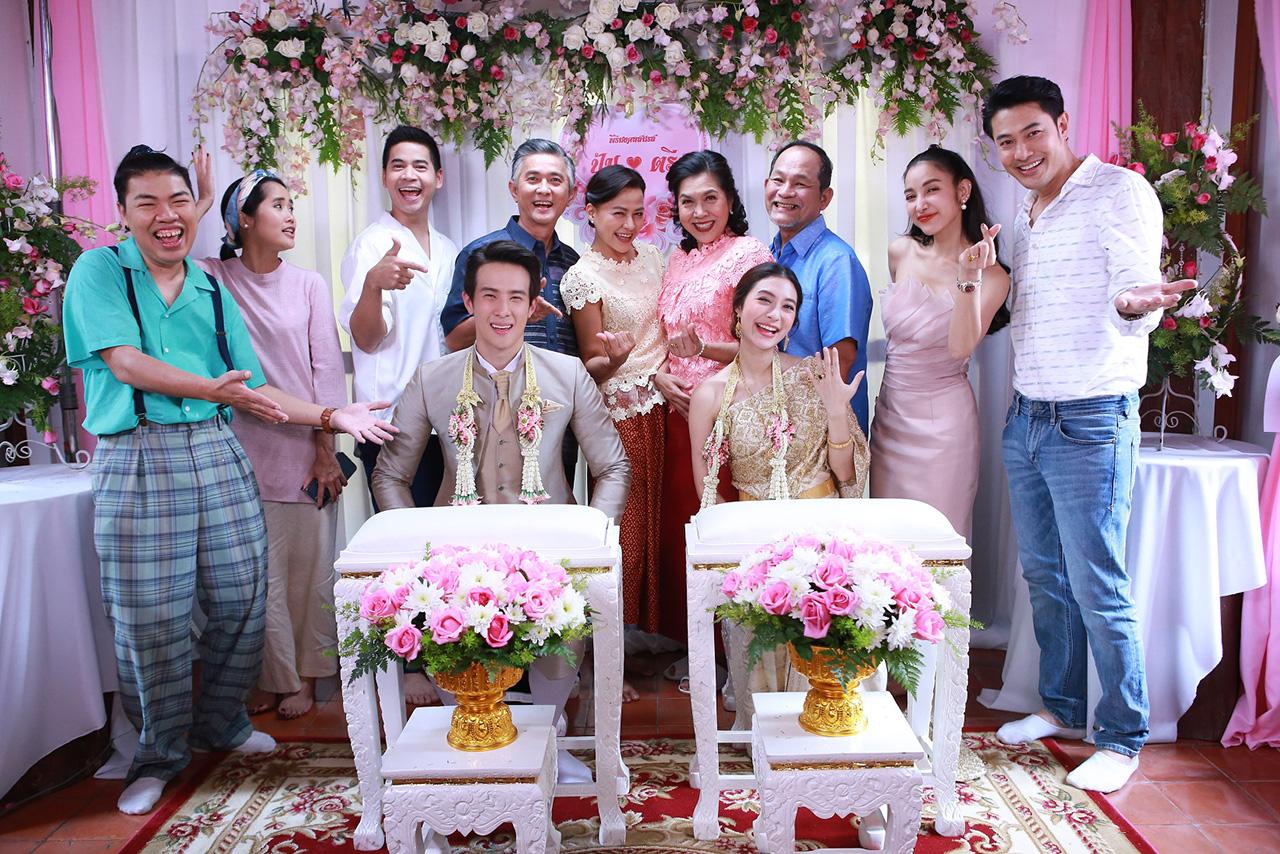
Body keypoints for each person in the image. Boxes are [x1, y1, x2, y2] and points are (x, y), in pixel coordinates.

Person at [63, 146, 396, 815]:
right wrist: (214, 390)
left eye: (178, 201)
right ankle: (156, 756)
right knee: (151, 617)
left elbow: (258, 387)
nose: (166, 216)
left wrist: (331, 416)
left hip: (217, 448)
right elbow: (125, 362)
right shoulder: (100, 271)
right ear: (122, 212)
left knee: (243, 597)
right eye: (147, 203)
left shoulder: (209, 286)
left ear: (194, 208)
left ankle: (221, 721)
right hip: (138, 453)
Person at [982, 76, 1193, 793]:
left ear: (1063, 125)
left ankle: (1123, 737)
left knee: (1099, 584)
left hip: (1092, 418)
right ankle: (1062, 707)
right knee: (1045, 577)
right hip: (1028, 416)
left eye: (1033, 133)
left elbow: (1134, 288)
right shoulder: (1024, 213)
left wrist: (1135, 302)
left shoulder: (1119, 190)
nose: (1021, 151)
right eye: (1006, 141)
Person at [371, 239, 631, 781]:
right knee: (453, 638)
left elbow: (613, 467)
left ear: (535, 304)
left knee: (562, 638)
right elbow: (390, 474)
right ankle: (471, 736)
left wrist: (591, 540)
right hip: (458, 555)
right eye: (489, 296)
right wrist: (418, 554)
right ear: (468, 302)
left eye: (516, 297)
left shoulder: (567, 373)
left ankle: (551, 739)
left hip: (550, 551)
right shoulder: (432, 378)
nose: (502, 310)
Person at [196, 161, 346, 720]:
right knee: (255, 579)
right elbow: (154, 255)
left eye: (291, 206)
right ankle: (270, 675)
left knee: (309, 574)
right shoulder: (211, 277)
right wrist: (202, 201)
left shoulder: (308, 284)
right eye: (278, 205)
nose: (290, 215)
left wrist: (326, 450)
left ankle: (305, 678)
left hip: (304, 450)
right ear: (244, 218)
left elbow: (326, 371)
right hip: (237, 451)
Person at [689, 262, 870, 716]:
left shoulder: (812, 375)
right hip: (756, 540)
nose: (775, 315)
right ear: (738, 308)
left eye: (788, 307)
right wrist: (742, 558)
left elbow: (846, 474)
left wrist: (836, 412)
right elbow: (707, 492)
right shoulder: (709, 394)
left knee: (827, 662)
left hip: (822, 532)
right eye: (765, 300)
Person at [655, 150, 774, 645]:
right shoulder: (677, 259)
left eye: (710, 199)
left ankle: (733, 651)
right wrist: (662, 374)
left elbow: (765, 338)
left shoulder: (749, 254)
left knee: (722, 522)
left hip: (729, 411)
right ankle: (693, 645)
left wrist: (702, 351)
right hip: (676, 412)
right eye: (688, 202)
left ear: (729, 201)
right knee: (684, 524)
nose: (699, 212)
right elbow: (666, 337)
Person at [560, 166, 666, 701]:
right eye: (617, 213)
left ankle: (658, 637)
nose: (628, 224)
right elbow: (591, 367)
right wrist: (618, 358)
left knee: (660, 530)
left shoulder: (653, 258)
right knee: (623, 536)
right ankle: (605, 660)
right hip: (622, 415)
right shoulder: (581, 277)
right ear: (591, 214)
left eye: (637, 213)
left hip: (668, 406)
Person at [871, 146, 1011, 541]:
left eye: (931, 190)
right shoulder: (900, 252)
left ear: (962, 191)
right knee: (886, 544)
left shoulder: (994, 277)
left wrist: (969, 275)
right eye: (910, 195)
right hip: (890, 418)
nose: (920, 204)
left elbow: (961, 348)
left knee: (938, 542)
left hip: (945, 429)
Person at [441, 138, 580, 483]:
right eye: (533, 179)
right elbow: (455, 338)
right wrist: (517, 316)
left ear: (571, 194)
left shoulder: (574, 264)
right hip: (493, 411)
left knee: (555, 506)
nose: (544, 189)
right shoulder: (482, 254)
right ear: (514, 189)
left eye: (555, 180)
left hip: (559, 416)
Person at [339, 125, 457, 511]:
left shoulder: (449, 250)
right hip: (390, 424)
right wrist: (373, 284)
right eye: (398, 166)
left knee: (445, 536)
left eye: (420, 166)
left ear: (438, 177)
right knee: (402, 538)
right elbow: (366, 337)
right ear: (384, 177)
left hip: (444, 422)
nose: (409, 175)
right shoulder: (371, 245)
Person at [765, 141, 874, 430]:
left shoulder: (836, 261)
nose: (785, 191)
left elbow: (840, 364)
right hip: (776, 424)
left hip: (821, 427)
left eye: (800, 183)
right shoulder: (768, 254)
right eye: (778, 180)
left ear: (824, 198)